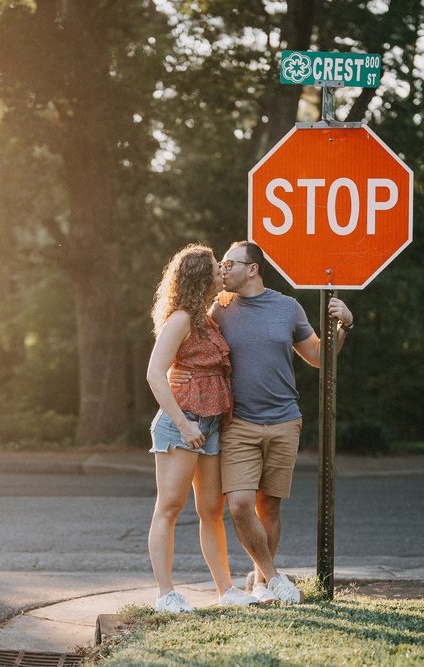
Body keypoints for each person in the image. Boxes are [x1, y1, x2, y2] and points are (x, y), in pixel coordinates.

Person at [183, 240, 354, 603]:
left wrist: (344, 327)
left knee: (269, 506)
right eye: (222, 265)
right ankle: (276, 578)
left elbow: (320, 358)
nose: (223, 270)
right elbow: (187, 345)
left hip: (284, 421)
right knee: (240, 504)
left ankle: (262, 582)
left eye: (229, 264)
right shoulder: (220, 309)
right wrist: (174, 375)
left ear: (253, 268)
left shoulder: (287, 308)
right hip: (239, 422)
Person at [145, 243, 260, 613]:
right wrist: (183, 424)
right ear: (200, 275)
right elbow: (154, 374)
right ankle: (166, 594)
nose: (222, 270)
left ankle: (226, 589)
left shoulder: (207, 317)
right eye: (216, 266)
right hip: (183, 425)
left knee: (212, 509)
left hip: (209, 425)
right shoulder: (180, 319)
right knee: (169, 508)